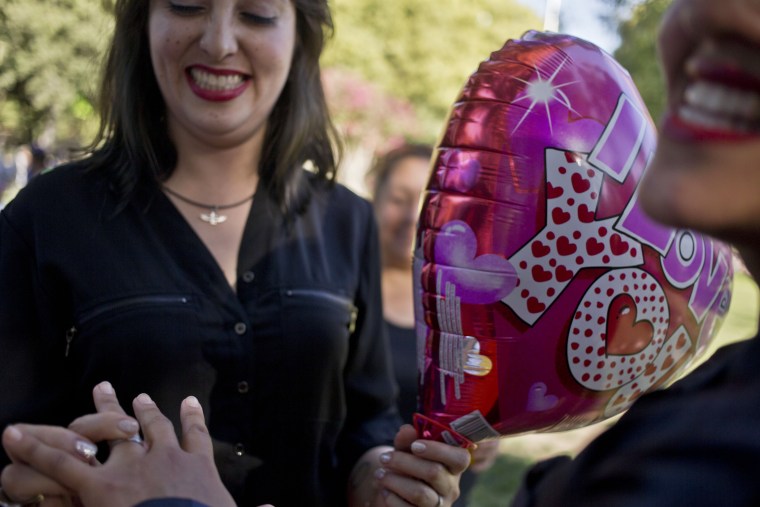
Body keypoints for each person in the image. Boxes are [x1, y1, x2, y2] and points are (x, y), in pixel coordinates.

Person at [0, 0, 470, 505]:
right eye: (187, 5)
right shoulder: (45, 219)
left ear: (300, 36)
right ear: (143, 22)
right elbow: (14, 447)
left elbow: (367, 422)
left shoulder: (347, 220)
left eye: (257, 13)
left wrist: (383, 477)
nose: (219, 41)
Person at [367, 144, 500, 506]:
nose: (414, 215)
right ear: (374, 197)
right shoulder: (340, 292)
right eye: (399, 198)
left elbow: (485, 399)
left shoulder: (468, 303)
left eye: (431, 200)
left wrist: (489, 438)